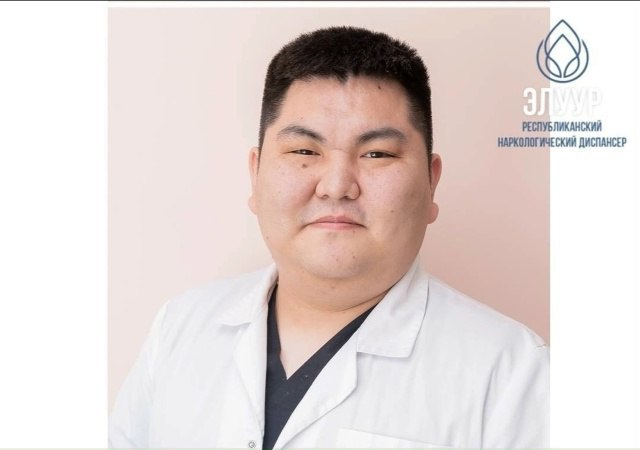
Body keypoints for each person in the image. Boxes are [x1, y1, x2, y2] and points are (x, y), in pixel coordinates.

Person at [109, 26, 549, 449]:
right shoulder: (180, 328)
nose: (336, 186)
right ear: (255, 173)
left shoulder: (512, 372)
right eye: (304, 151)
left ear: (431, 183)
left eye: (377, 153)